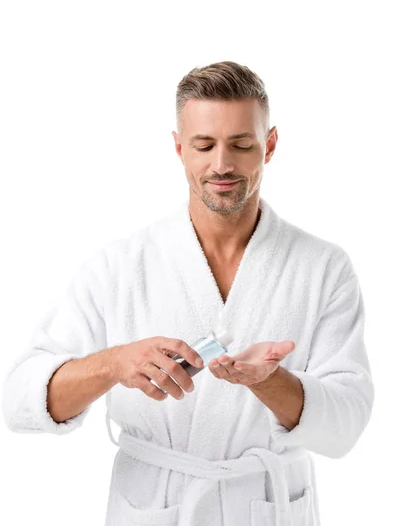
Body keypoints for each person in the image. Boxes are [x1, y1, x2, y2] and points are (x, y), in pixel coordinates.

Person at [2, 60, 374, 526]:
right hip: (155, 506)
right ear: (179, 148)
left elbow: (347, 427)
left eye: (241, 145)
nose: (222, 164)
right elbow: (19, 400)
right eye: (204, 145)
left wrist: (269, 381)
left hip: (269, 507)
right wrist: (114, 363)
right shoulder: (121, 265)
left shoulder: (322, 267)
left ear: (270, 145)